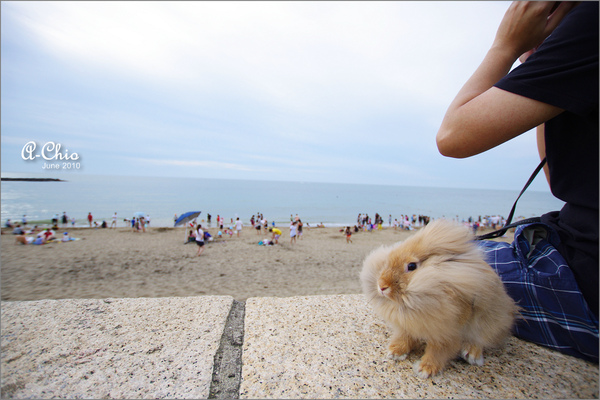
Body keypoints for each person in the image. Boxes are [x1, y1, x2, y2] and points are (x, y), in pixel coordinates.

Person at [436, 1, 598, 362]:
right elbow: (556, 177)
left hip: (588, 281)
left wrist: (506, 47)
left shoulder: (592, 21)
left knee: (419, 281)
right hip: (580, 250)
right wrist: (537, 64)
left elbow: (453, 136)